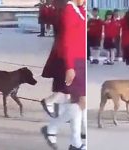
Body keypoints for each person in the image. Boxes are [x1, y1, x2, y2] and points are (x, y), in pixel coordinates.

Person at [40, 0, 86, 149]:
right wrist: (70, 66)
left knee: (77, 102)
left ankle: (74, 142)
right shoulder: (68, 10)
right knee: (81, 101)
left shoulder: (77, 9)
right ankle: (56, 130)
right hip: (74, 61)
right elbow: (66, 40)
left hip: (80, 60)